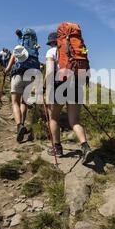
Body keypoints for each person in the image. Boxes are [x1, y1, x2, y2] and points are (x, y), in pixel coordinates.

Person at [44, 31, 94, 165]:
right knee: (74, 121)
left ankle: (57, 149)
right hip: (77, 84)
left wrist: (45, 89)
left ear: (52, 42)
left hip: (59, 84)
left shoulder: (51, 52)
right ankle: (85, 147)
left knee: (54, 117)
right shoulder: (74, 49)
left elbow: (49, 72)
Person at [4, 29, 41, 143]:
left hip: (18, 75)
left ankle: (19, 125)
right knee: (24, 102)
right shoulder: (34, 49)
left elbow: (11, 62)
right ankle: (23, 124)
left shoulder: (19, 47)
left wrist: (6, 71)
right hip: (30, 76)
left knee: (15, 102)